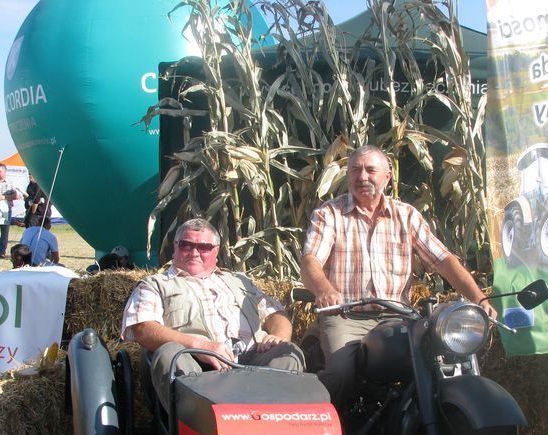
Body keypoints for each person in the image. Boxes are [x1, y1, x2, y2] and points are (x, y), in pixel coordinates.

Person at [300, 145, 496, 405]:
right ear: (347, 176)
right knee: (340, 373)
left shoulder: (406, 215)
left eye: (371, 170)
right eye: (355, 170)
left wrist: (478, 299)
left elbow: (443, 260)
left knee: (439, 359)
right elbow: (310, 260)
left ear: (387, 177)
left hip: (399, 317)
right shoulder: (329, 214)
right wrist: (324, 290)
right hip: (346, 317)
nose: (362, 177)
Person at [121, 217, 304, 406]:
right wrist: (202, 346)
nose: (194, 252)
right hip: (197, 366)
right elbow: (142, 328)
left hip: (253, 361)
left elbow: (275, 314)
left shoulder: (239, 281)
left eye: (204, 247)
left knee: (288, 353)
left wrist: (278, 336)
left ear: (216, 251)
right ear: (175, 247)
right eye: (186, 245)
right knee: (169, 353)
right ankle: (199, 427)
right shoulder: (155, 284)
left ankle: (269, 425)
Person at [0, 164, 26, 258]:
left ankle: (1, 251)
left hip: (5, 211)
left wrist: (4, 197)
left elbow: (15, 196)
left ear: (4, 172)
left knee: (4, 231)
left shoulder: (9, 183)